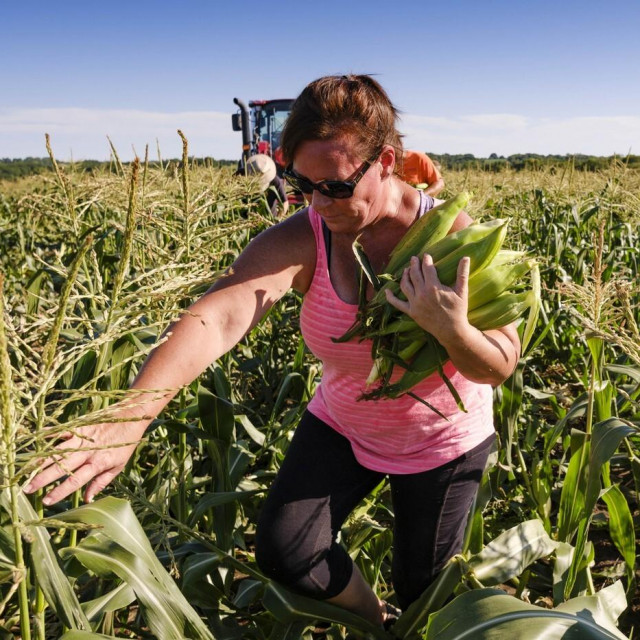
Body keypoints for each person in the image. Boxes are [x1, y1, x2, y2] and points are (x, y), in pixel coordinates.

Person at [25, 74, 519, 629]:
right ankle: (375, 623)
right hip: (346, 421)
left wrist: (451, 329)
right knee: (287, 551)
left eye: (333, 186)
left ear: (385, 159)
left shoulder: (453, 236)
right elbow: (216, 318)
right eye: (301, 182)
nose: (315, 202)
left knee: (424, 589)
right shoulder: (305, 234)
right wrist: (127, 419)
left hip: (440, 440)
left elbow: (499, 365)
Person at [245, 153, 289, 218]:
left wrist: (278, 219)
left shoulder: (275, 180)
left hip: (270, 218)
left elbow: (285, 202)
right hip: (248, 218)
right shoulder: (243, 175)